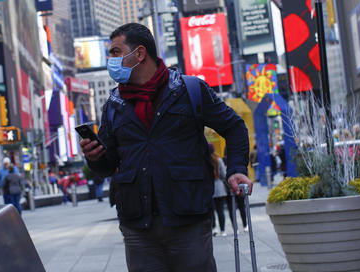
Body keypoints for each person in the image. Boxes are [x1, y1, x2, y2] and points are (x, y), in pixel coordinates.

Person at [80, 23, 251, 272]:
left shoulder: (188, 90)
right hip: (138, 227)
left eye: (116, 52)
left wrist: (236, 169)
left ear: (139, 54)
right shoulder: (113, 105)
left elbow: (234, 127)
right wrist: (95, 157)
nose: (110, 60)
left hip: (188, 219)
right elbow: (108, 165)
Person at [210, 147, 228, 237]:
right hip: (220, 188)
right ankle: (223, 230)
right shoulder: (218, 160)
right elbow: (223, 174)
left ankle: (214, 228)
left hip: (209, 189)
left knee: (211, 211)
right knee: (220, 210)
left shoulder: (204, 160)